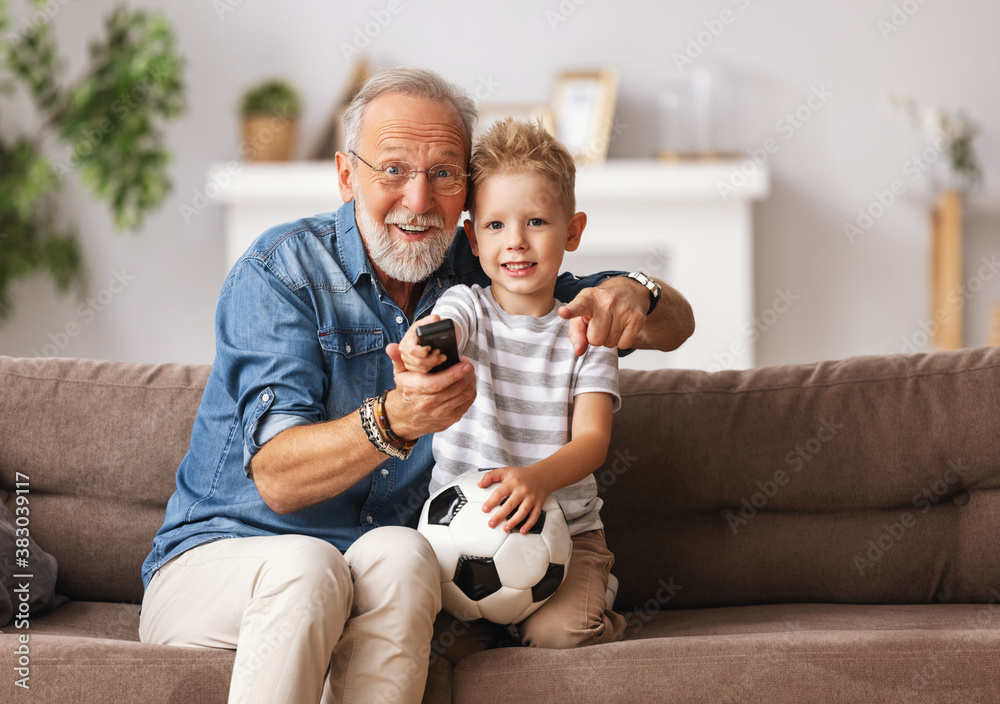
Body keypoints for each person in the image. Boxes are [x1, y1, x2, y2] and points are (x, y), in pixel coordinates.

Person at [138, 66, 694, 704]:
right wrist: (397, 419)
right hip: (226, 561)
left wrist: (638, 290)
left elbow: (667, 323)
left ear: (468, 196)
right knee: (308, 566)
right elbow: (278, 479)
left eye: (444, 174)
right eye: (393, 169)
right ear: (347, 176)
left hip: (365, 568)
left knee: (405, 554)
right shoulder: (282, 271)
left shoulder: (482, 268)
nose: (418, 200)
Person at [399, 117, 626, 647]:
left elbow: (593, 440)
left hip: (566, 533)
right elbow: (445, 329)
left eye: (537, 223)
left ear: (572, 230)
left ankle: (596, 605)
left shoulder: (586, 331)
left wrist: (538, 481)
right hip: (461, 536)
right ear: (472, 239)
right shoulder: (468, 306)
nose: (516, 242)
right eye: (496, 225)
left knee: (557, 635)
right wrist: (422, 347)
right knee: (421, 640)